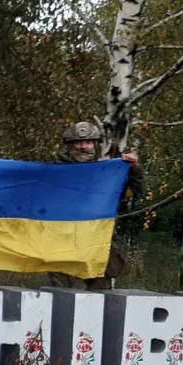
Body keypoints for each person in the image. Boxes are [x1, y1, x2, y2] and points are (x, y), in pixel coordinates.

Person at [49, 120, 144, 290]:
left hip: (97, 242)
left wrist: (134, 168)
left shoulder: (109, 172)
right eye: (77, 142)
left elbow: (137, 192)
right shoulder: (52, 171)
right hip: (63, 241)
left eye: (88, 142)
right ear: (69, 145)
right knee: (61, 296)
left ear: (95, 145)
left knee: (101, 295)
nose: (82, 147)